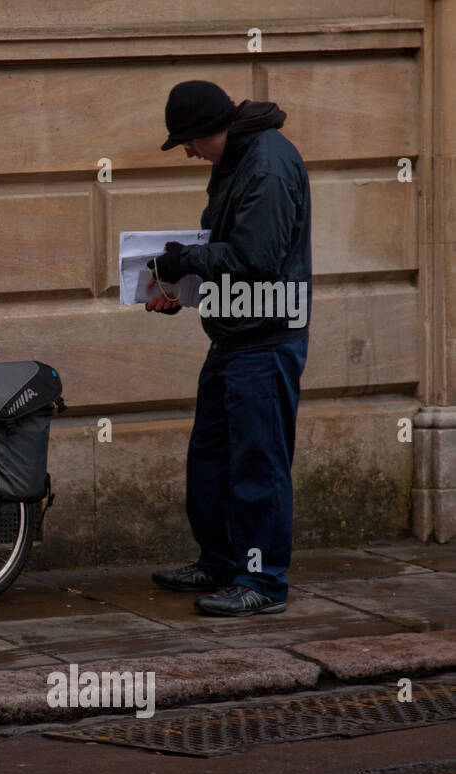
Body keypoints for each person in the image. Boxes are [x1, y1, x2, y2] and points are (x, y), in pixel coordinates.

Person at [144, 80, 311, 616]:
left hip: (265, 341)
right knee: (211, 462)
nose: (188, 152)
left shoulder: (266, 163)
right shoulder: (237, 157)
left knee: (258, 468)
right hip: (233, 336)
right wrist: (182, 292)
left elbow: (256, 257)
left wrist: (182, 264)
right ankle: (220, 562)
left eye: (189, 142)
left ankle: (262, 583)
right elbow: (227, 248)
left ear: (209, 130)